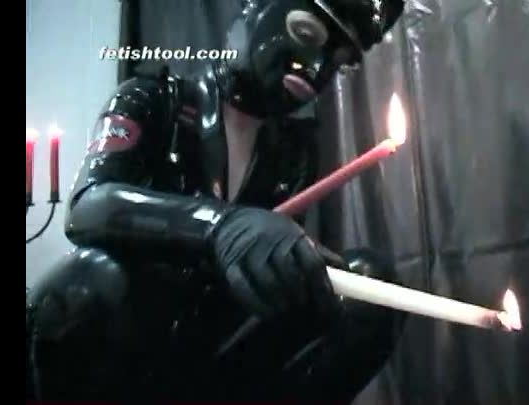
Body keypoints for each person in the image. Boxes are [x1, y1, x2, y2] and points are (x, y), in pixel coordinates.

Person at [26, 0, 406, 402]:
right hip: (132, 333)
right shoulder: (153, 98)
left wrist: (298, 261)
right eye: (306, 34)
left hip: (213, 342)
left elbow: (265, 264)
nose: (315, 68)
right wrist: (219, 225)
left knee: (368, 288)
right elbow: (89, 205)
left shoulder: (294, 152)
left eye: (338, 62)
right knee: (92, 279)